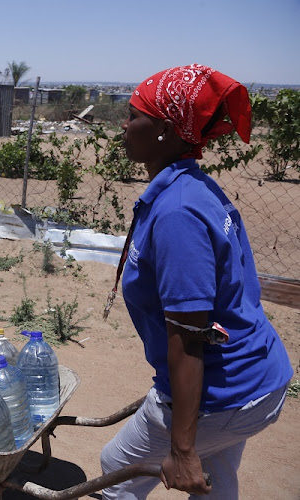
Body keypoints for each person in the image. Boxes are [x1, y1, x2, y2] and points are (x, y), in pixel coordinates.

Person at [99, 64, 293, 499]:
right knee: (216, 476)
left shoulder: (178, 213)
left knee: (117, 468)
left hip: (227, 387)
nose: (124, 127)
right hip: (256, 377)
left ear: (165, 129)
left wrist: (182, 448)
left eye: (133, 116)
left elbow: (189, 336)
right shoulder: (193, 187)